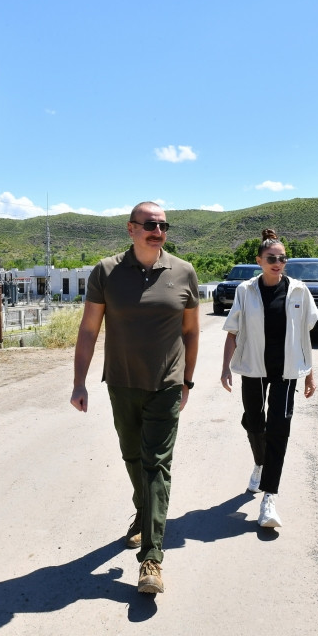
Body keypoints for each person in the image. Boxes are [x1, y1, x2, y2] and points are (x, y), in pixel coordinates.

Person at [70, 201, 200, 595]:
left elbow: (192, 331)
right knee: (132, 456)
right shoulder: (106, 272)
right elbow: (89, 329)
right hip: (122, 383)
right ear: (131, 229)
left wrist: (187, 381)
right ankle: (145, 512)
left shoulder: (183, 272)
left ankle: (152, 560)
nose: (157, 230)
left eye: (162, 225)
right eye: (149, 225)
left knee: (156, 464)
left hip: (165, 384)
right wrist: (80, 382)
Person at [219, 229, 317, 529]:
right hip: (253, 368)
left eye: (282, 258)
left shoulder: (299, 291)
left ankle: (269, 497)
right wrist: (225, 368)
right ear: (259, 261)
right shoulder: (245, 291)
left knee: (279, 429)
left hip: (286, 372)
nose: (278, 262)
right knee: (254, 422)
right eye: (272, 258)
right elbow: (233, 332)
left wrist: (309, 373)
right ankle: (260, 463)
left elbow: (304, 337)